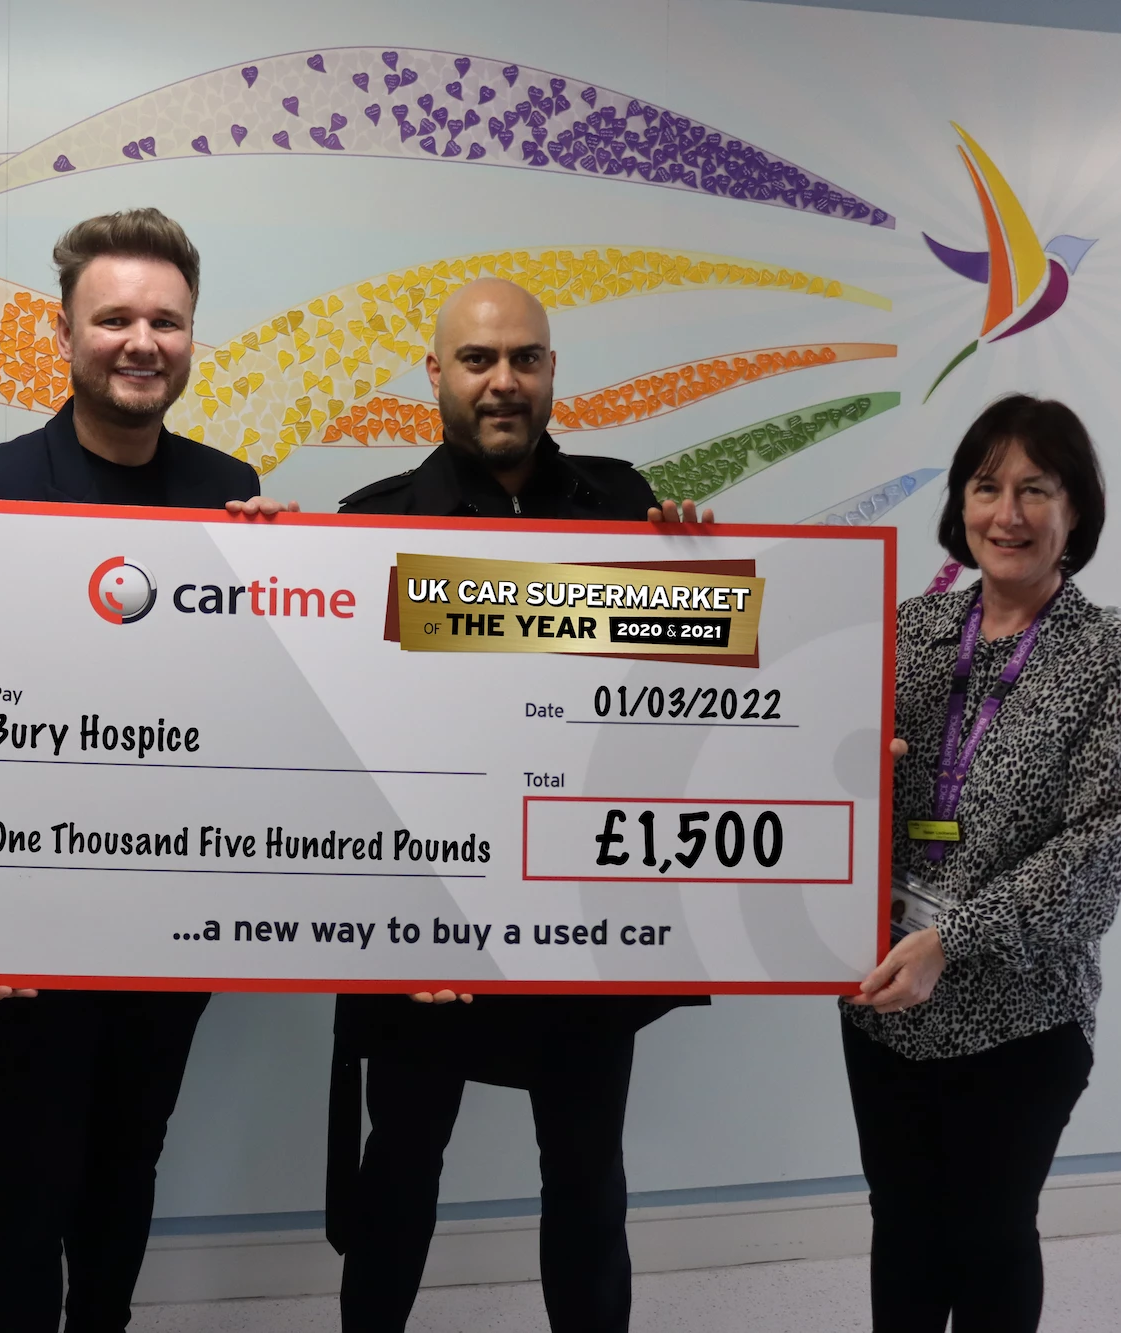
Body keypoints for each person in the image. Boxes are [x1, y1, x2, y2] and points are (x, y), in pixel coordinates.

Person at [0, 207, 293, 1332]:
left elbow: (252, 713)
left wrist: (281, 581)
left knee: (128, 1159)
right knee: (25, 1172)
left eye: (164, 320)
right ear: (63, 331)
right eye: (114, 316)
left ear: (189, 337)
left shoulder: (232, 489)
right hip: (23, 913)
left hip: (172, 905)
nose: (140, 340)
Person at [328, 277, 708, 1333]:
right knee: (397, 1166)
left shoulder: (630, 509)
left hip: (575, 915)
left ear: (550, 371)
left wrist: (702, 575)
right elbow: (331, 742)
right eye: (477, 359)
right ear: (435, 375)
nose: (502, 380)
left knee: (586, 1173)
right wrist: (267, 564)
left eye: (524, 358)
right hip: (420, 928)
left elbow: (677, 705)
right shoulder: (366, 526)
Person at [843, 394, 1121, 1332]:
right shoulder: (905, 633)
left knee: (987, 1232)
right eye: (987, 487)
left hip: (1021, 1012)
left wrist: (955, 935)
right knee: (901, 1229)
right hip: (883, 1006)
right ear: (960, 504)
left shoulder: (1114, 661)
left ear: (1075, 513)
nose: (1008, 514)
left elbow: (1097, 848)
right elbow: (823, 775)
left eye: (1036, 488)